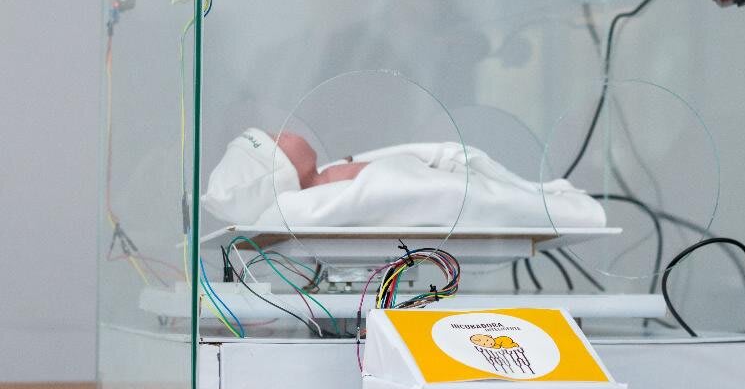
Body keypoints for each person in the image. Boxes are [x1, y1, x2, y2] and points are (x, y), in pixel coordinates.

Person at [201, 128, 606, 229]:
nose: (283, 132)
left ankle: (558, 205)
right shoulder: (308, 201)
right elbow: (410, 192)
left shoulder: (323, 178)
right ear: (281, 173)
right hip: (451, 190)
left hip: (449, 175)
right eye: (276, 140)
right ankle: (568, 210)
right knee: (506, 202)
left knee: (512, 194)